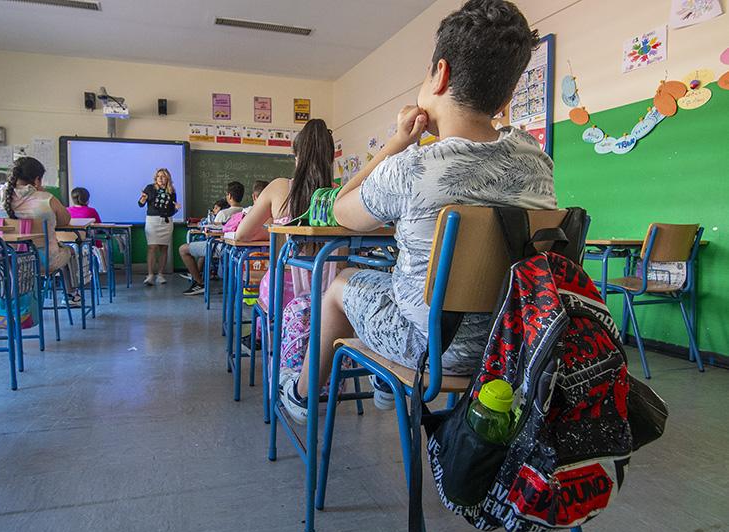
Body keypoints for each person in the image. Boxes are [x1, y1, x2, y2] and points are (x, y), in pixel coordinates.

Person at [279, 0, 558, 424]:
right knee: (396, 277)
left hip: (430, 348)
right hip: (514, 342)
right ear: (508, 94)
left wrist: (396, 141)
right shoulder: (537, 162)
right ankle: (384, 386)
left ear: (440, 74)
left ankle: (300, 396)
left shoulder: (412, 167)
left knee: (341, 282)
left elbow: (340, 211)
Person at [234, 119, 338, 386]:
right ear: (331, 158)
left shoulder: (279, 187)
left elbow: (242, 234)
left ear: (296, 156)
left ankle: (265, 340)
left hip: (283, 293)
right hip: (329, 298)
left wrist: (274, 229)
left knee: (265, 294)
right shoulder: (339, 195)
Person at [0, 157, 81, 305]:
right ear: (37, 180)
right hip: (42, 261)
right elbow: (65, 220)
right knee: (70, 251)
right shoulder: (46, 199)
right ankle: (72, 295)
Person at [179, 181, 245, 295]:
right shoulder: (245, 212)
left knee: (183, 249)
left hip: (219, 247)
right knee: (203, 254)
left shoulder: (223, 213)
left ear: (229, 196)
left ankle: (199, 282)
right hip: (235, 249)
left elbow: (212, 231)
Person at [138, 168, 180, 286]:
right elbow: (140, 204)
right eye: (159, 176)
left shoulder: (172, 191)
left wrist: (176, 209)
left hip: (166, 221)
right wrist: (143, 199)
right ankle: (150, 275)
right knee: (152, 247)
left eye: (164, 176)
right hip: (152, 221)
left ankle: (160, 275)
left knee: (164, 248)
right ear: (155, 178)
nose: (161, 178)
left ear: (168, 179)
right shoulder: (149, 188)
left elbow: (171, 211)